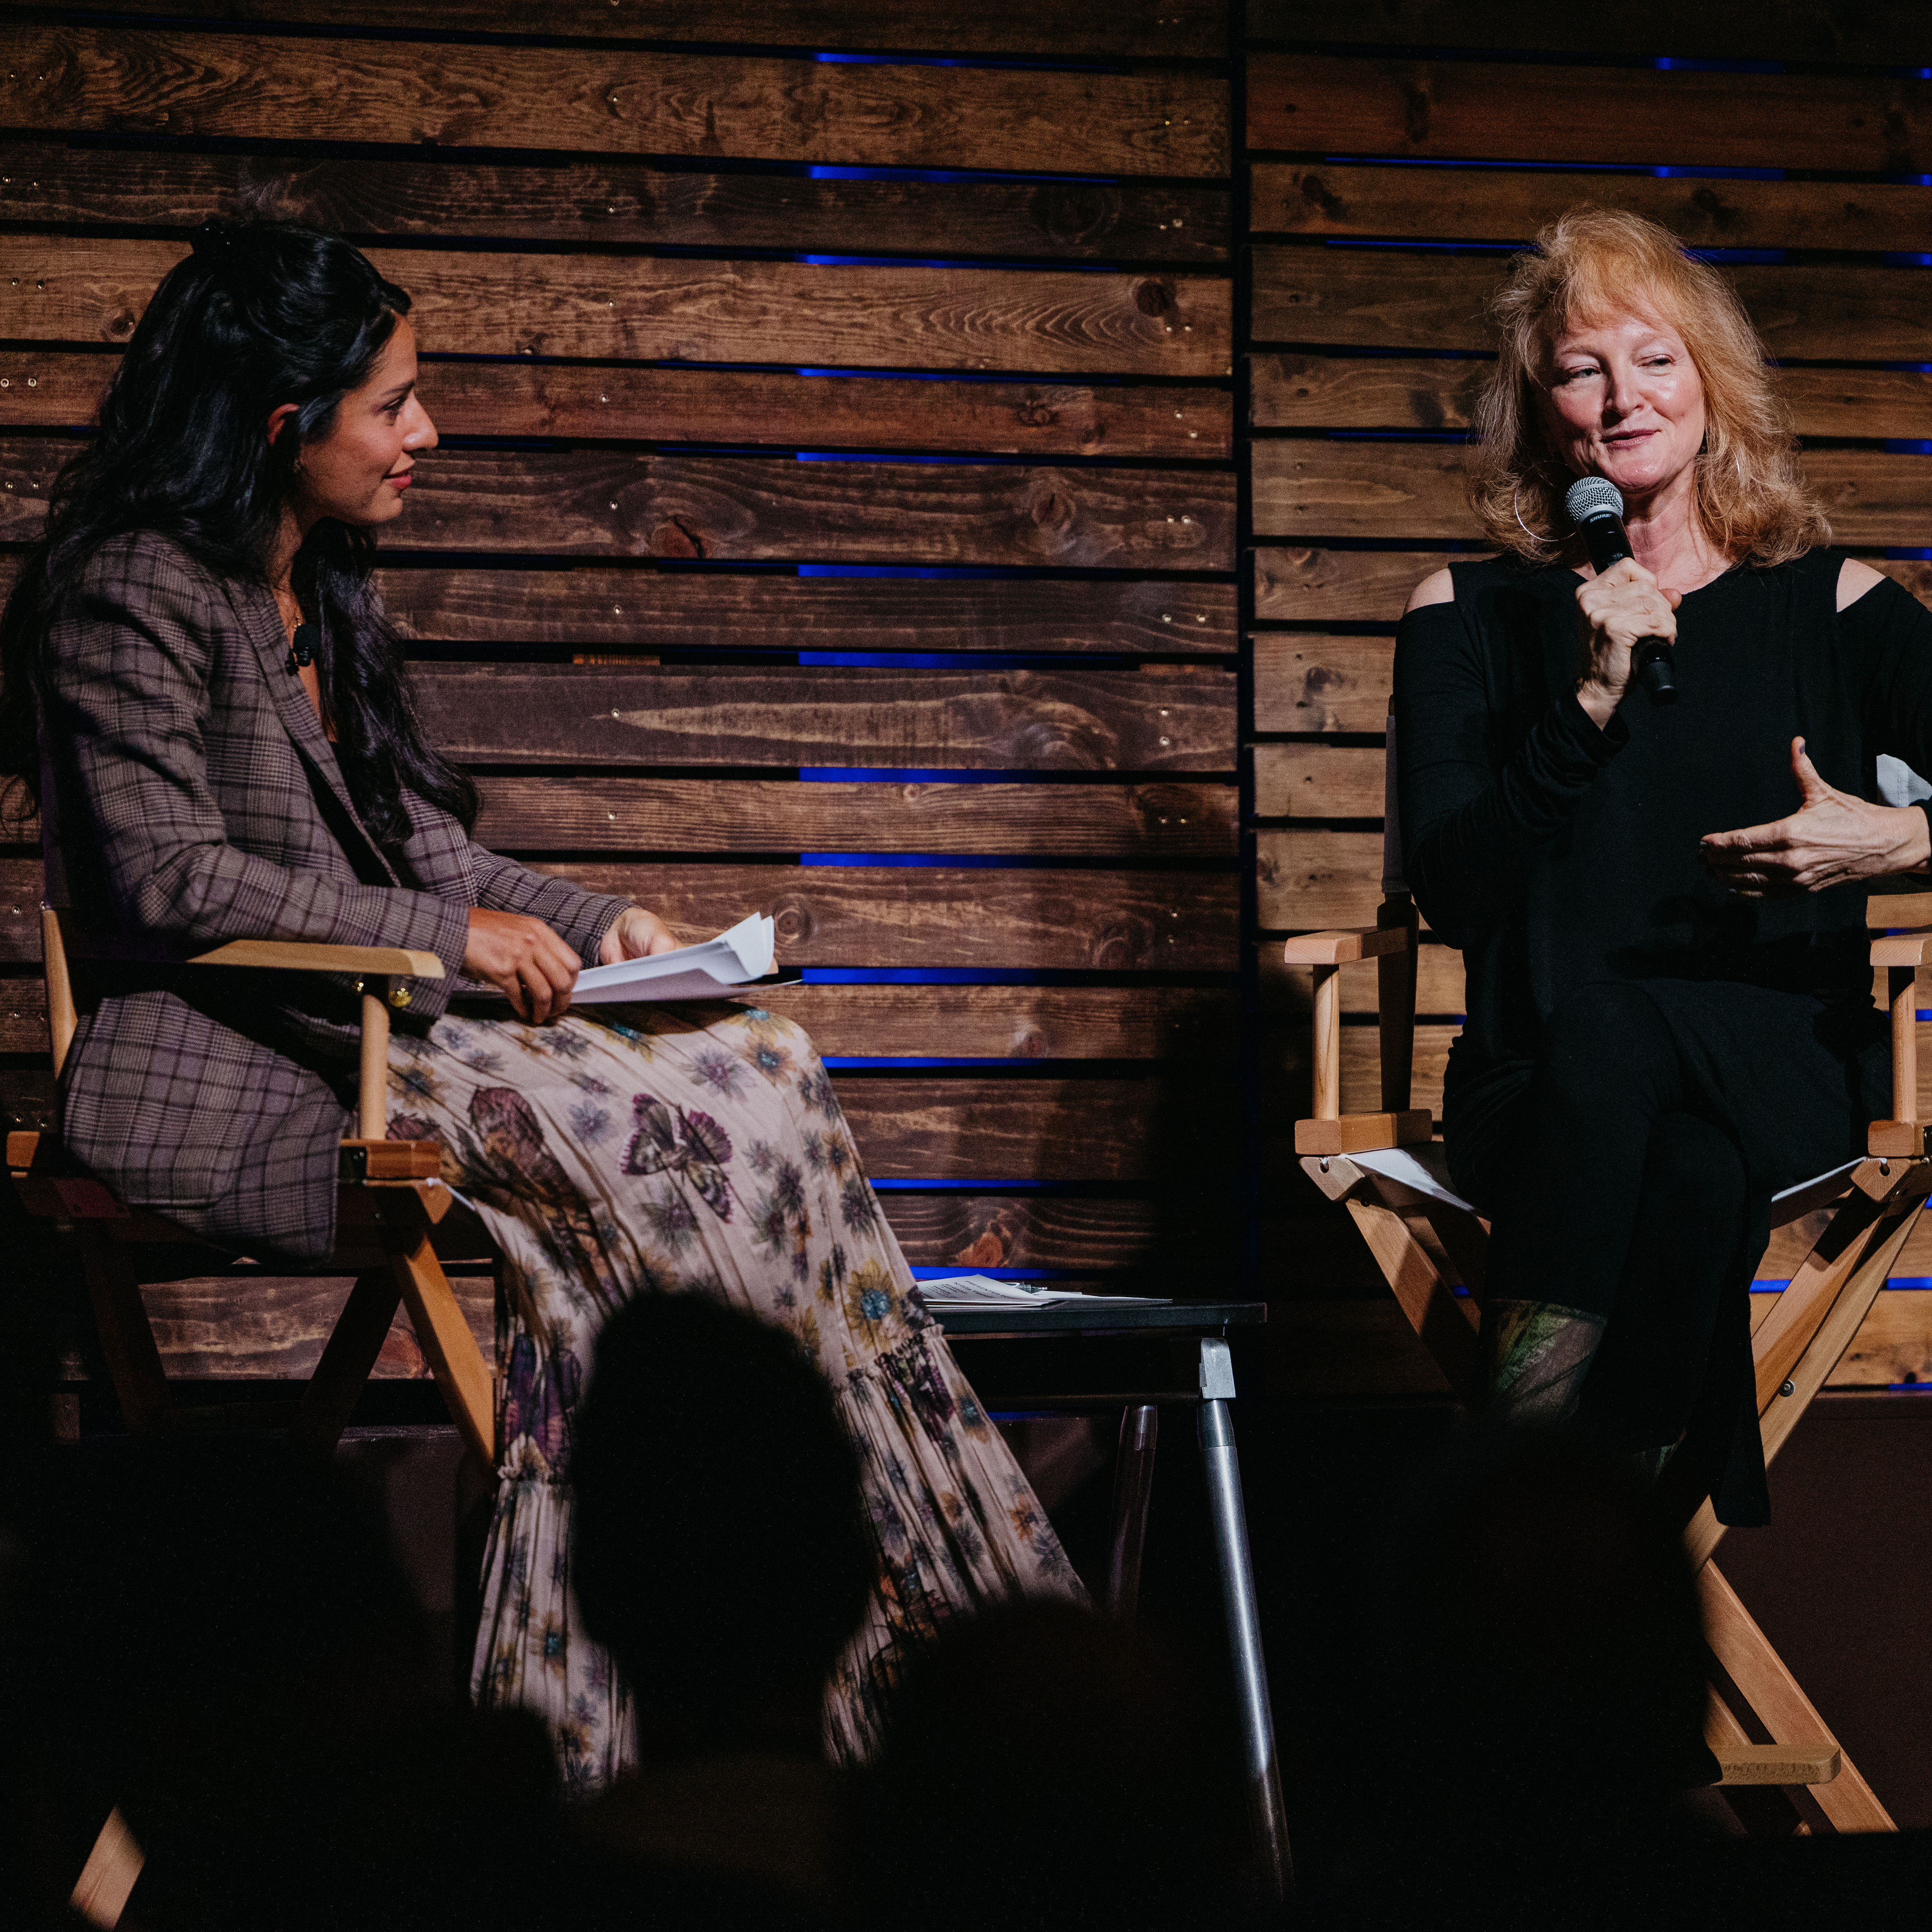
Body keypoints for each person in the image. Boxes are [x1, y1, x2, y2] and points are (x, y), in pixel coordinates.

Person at [0, 217, 1077, 1788]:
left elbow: (414, 835)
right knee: (648, 1140)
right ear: (279, 416)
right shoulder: (128, 592)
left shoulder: (314, 579)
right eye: (395, 404)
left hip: (385, 1028)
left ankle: (884, 1555)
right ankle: (638, 1677)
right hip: (237, 1058)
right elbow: (166, 880)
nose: (424, 432)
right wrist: (452, 940)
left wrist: (601, 924)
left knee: (760, 1058)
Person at [1396, 205, 1932, 1521]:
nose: (1620, 397)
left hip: (1782, 1058)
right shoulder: (1462, 619)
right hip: (1535, 1084)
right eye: (1581, 369)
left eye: (1654, 359)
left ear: (1711, 385)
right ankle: (1592, 1559)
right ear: (1541, 415)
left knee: (1628, 1040)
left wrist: (1902, 835)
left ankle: (1499, 1519)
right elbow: (1453, 891)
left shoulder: (1836, 605)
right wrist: (1583, 705)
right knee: (1685, 1173)